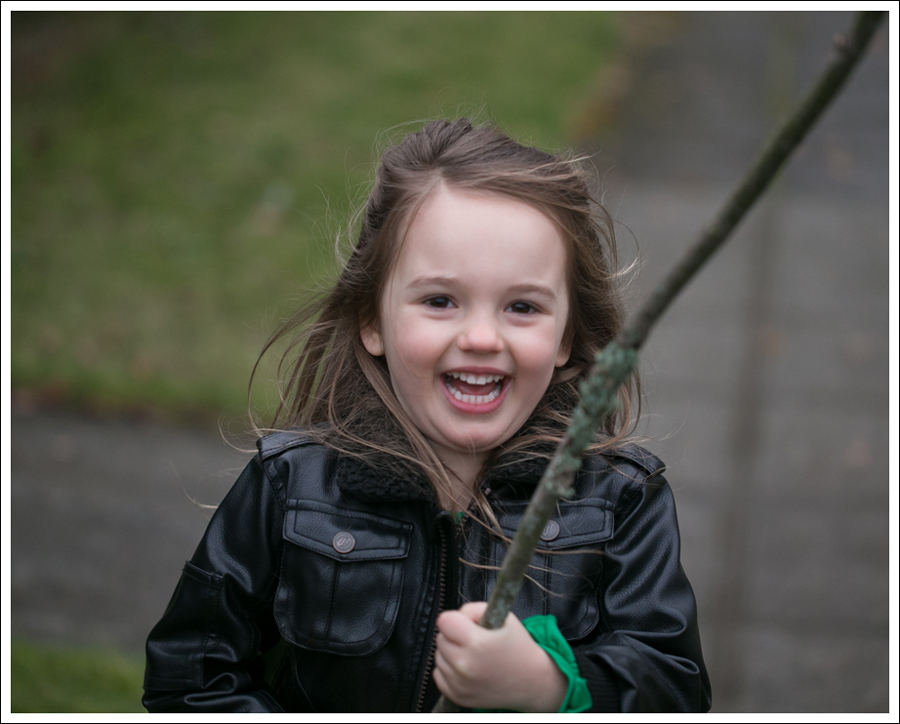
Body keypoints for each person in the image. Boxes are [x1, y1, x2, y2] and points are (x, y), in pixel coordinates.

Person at [143, 119, 711, 713]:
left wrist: (551, 686)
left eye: (522, 306)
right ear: (371, 319)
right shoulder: (292, 487)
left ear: (567, 334)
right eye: (440, 301)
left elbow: (675, 688)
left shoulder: (619, 503)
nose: (483, 337)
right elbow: (191, 676)